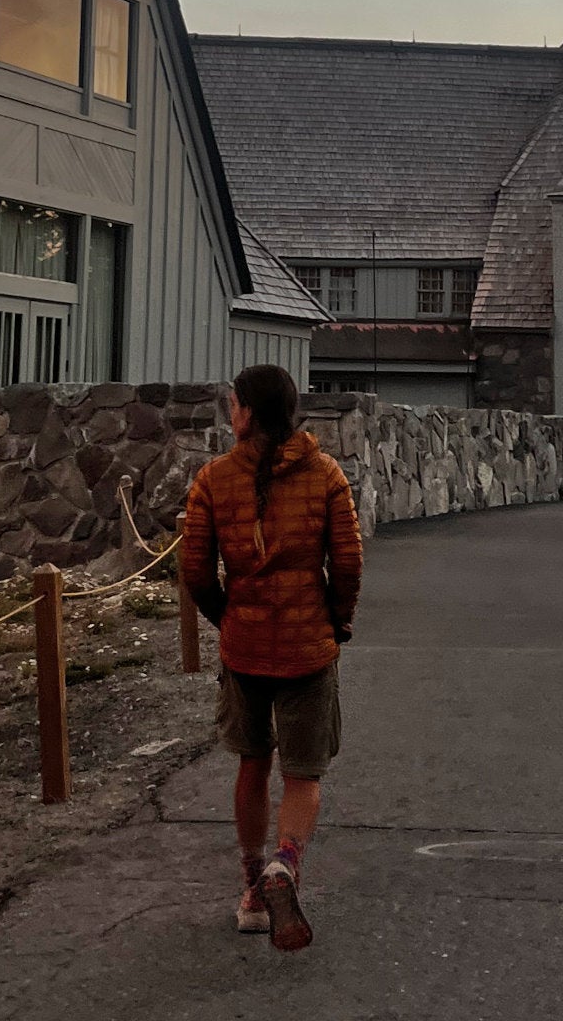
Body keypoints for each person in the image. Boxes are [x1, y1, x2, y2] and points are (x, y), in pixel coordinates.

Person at [178, 364, 363, 952]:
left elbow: (196, 572)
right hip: (309, 643)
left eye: (234, 404)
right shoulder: (326, 473)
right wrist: (338, 617)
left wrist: (226, 616)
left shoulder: (213, 478)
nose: (230, 412)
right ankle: (286, 863)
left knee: (252, 763)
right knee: (303, 772)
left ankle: (254, 888)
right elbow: (349, 561)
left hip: (245, 645)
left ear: (248, 412)